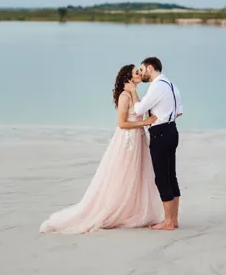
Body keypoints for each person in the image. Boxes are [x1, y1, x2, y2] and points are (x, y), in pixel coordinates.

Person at [39, 64, 164, 234]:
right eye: (136, 72)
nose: (140, 74)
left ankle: (132, 211)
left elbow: (139, 110)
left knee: (137, 175)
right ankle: (113, 210)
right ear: (128, 77)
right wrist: (144, 123)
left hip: (139, 139)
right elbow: (121, 123)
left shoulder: (133, 93)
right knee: (123, 175)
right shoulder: (124, 96)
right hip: (128, 141)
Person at [125, 57, 183, 231]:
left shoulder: (157, 85)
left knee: (161, 177)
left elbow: (139, 109)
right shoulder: (171, 84)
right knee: (171, 175)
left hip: (161, 133)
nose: (141, 73)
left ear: (150, 68)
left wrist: (133, 92)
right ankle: (174, 219)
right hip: (172, 130)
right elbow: (179, 111)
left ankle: (167, 222)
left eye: (142, 69)